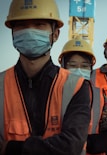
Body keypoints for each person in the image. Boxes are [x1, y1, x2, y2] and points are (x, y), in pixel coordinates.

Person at [0, 0, 92, 155]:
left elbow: (71, 145)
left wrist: (10, 148)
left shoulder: (75, 86)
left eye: (39, 24)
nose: (30, 31)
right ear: (13, 33)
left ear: (55, 34)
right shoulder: (1, 85)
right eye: (22, 25)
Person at [58, 37, 107, 155]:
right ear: (63, 66)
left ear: (91, 68)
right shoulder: (51, 92)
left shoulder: (101, 96)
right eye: (73, 65)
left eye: (84, 66)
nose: (79, 70)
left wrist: (85, 143)